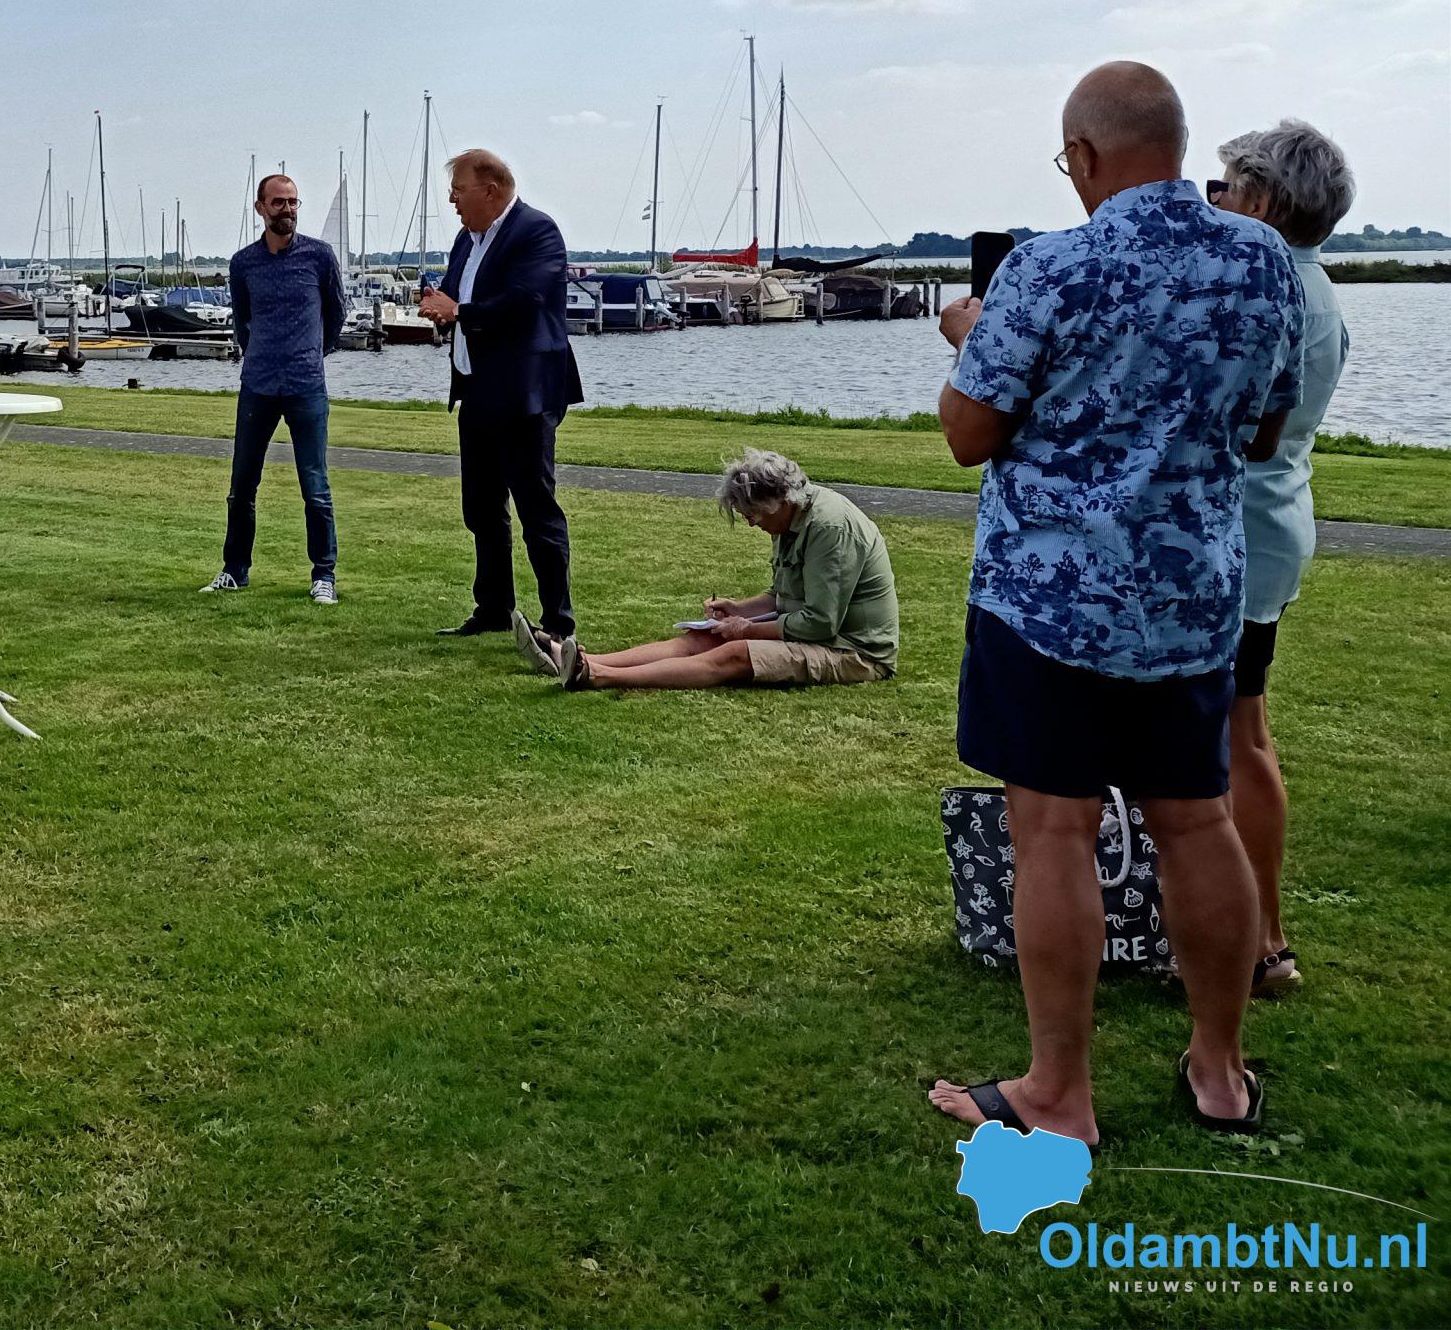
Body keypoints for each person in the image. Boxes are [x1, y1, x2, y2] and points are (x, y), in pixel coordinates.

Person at [926, 63, 1302, 1147]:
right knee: (1197, 821)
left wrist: (972, 336)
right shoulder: (1261, 262)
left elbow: (967, 435)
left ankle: (1059, 1091)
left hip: (1050, 601)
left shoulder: (1049, 268)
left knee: (1053, 830)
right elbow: (1265, 430)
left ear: (1085, 156)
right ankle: (1218, 1068)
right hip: (1190, 599)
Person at [1214, 120, 1355, 1000]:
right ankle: (1260, 933)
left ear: (1261, 201)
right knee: (1248, 729)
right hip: (1275, 524)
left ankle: (1260, 939)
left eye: (1225, 188)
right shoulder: (1317, 287)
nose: (1214, 203)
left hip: (1238, 534)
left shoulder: (1264, 292)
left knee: (1235, 738)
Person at [533, 449, 897, 692]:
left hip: (852, 652)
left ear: (780, 500)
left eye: (753, 514)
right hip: (820, 635)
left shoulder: (829, 528)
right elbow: (782, 596)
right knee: (703, 638)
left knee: (733, 653)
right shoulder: (790, 519)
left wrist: (748, 630)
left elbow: (820, 623)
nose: (752, 523)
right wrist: (739, 610)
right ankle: (579, 659)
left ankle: (597, 676)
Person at [416, 149, 584, 648]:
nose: (452, 199)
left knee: (536, 508)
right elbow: (454, 297)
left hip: (524, 395)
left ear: (490, 191)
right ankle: (493, 608)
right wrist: (438, 306)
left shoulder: (536, 231)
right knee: (481, 508)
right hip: (477, 392)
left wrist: (460, 311)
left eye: (458, 190)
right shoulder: (465, 240)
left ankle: (558, 623)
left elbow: (526, 300)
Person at [202, 173, 348, 603]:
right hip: (258, 386)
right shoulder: (243, 263)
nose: (287, 209)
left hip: (306, 386)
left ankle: (324, 575)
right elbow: (242, 319)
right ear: (260, 208)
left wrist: (312, 353)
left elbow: (336, 314)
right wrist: (259, 355)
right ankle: (234, 570)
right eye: (279, 202)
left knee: (315, 487)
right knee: (242, 485)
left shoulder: (319, 256)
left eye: (293, 202)